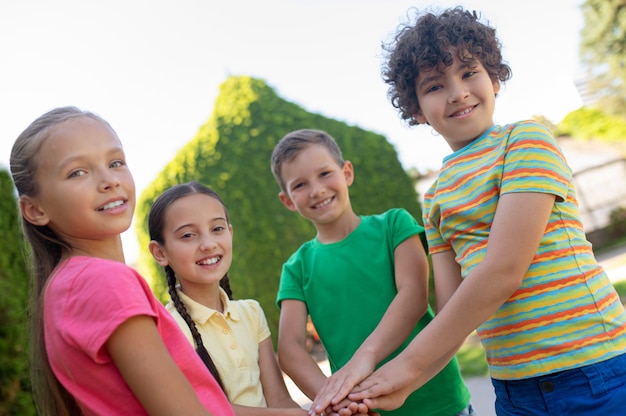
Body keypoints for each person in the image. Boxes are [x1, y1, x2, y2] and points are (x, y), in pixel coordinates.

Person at [343, 6, 626, 416]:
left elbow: (502, 270)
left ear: (494, 79)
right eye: (435, 85)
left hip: (593, 370)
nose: (457, 91)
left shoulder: (526, 140)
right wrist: (398, 385)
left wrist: (405, 368)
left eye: (469, 72)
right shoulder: (435, 197)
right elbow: (453, 311)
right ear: (417, 109)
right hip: (515, 392)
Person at [9, 106, 235, 416]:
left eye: (115, 163)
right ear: (35, 210)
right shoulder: (104, 281)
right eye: (77, 172)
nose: (109, 181)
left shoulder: (64, 285)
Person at [270, 129, 474, 416]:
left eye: (325, 174)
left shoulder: (394, 225)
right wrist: (336, 398)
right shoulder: (296, 267)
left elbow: (414, 296)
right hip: (363, 411)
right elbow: (290, 348)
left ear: (347, 173)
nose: (316, 190)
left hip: (439, 401)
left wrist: (364, 359)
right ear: (288, 200)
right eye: (300, 185)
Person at [147, 180, 308, 416]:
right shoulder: (168, 329)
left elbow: (280, 399)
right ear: (160, 253)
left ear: (230, 233)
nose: (209, 244)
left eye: (217, 229)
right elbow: (201, 410)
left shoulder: (251, 313)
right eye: (188, 235)